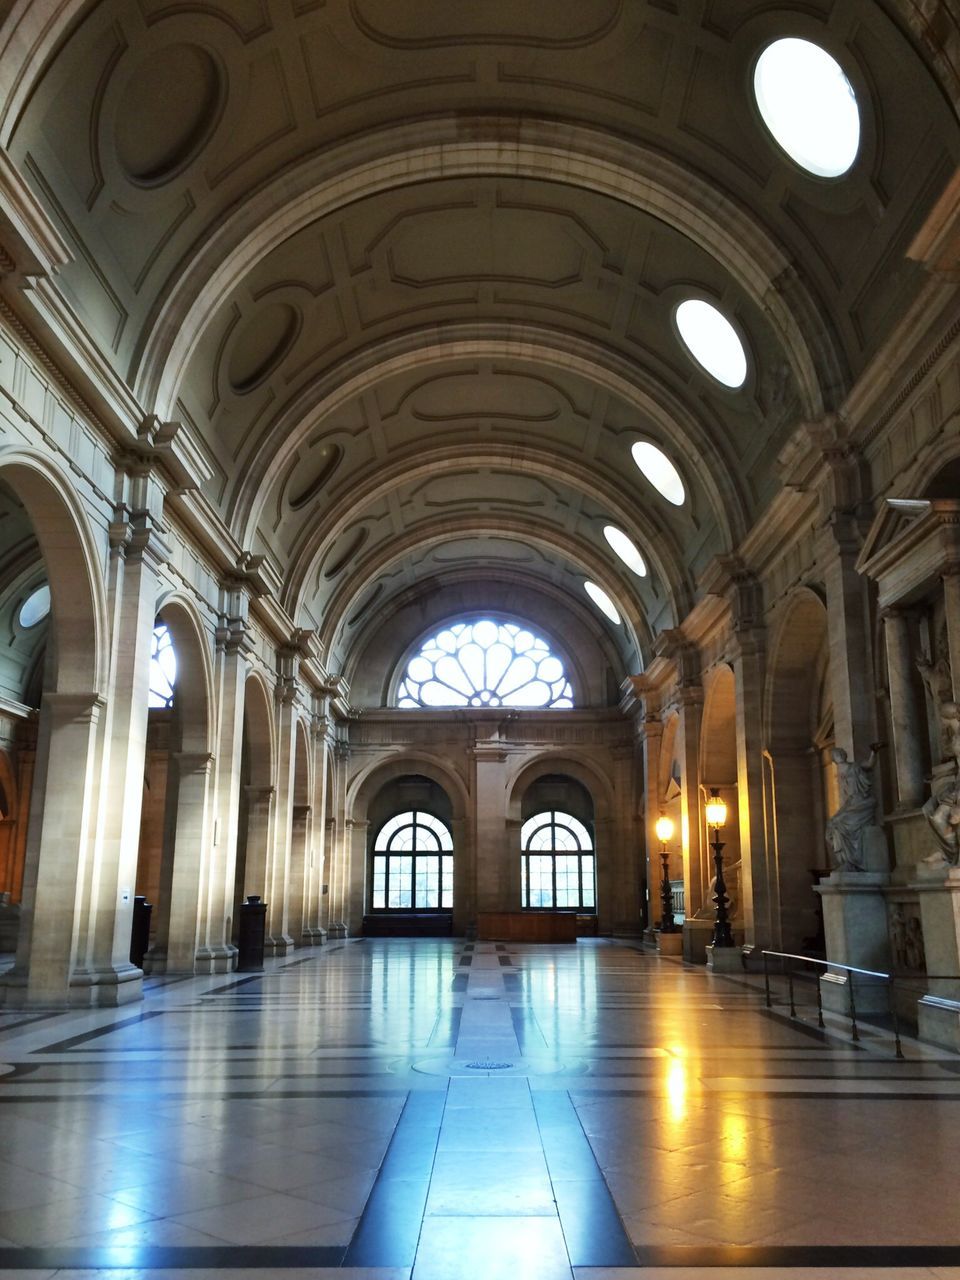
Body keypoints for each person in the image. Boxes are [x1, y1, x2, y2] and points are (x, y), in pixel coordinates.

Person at [825, 743, 884, 871]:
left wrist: (874, 752)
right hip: (852, 803)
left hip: (863, 802)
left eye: (840, 753)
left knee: (839, 824)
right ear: (834, 759)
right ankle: (845, 860)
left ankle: (852, 861)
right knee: (832, 824)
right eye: (836, 755)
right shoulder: (841, 771)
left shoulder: (854, 766)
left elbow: (869, 764)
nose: (839, 755)